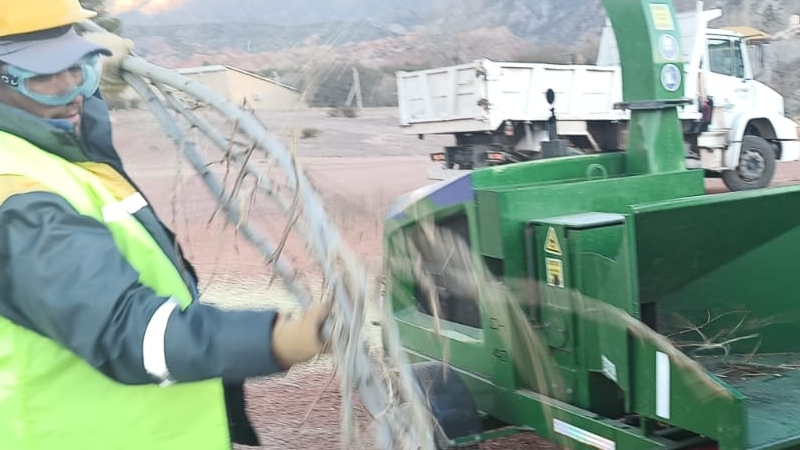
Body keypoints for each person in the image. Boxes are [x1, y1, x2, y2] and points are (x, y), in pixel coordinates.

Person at [0, 1, 331, 448]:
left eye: (80, 67)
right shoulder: (18, 200)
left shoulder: (42, 145)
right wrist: (276, 340)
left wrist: (91, 85)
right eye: (43, 76)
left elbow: (66, 107)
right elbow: (125, 332)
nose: (72, 90)